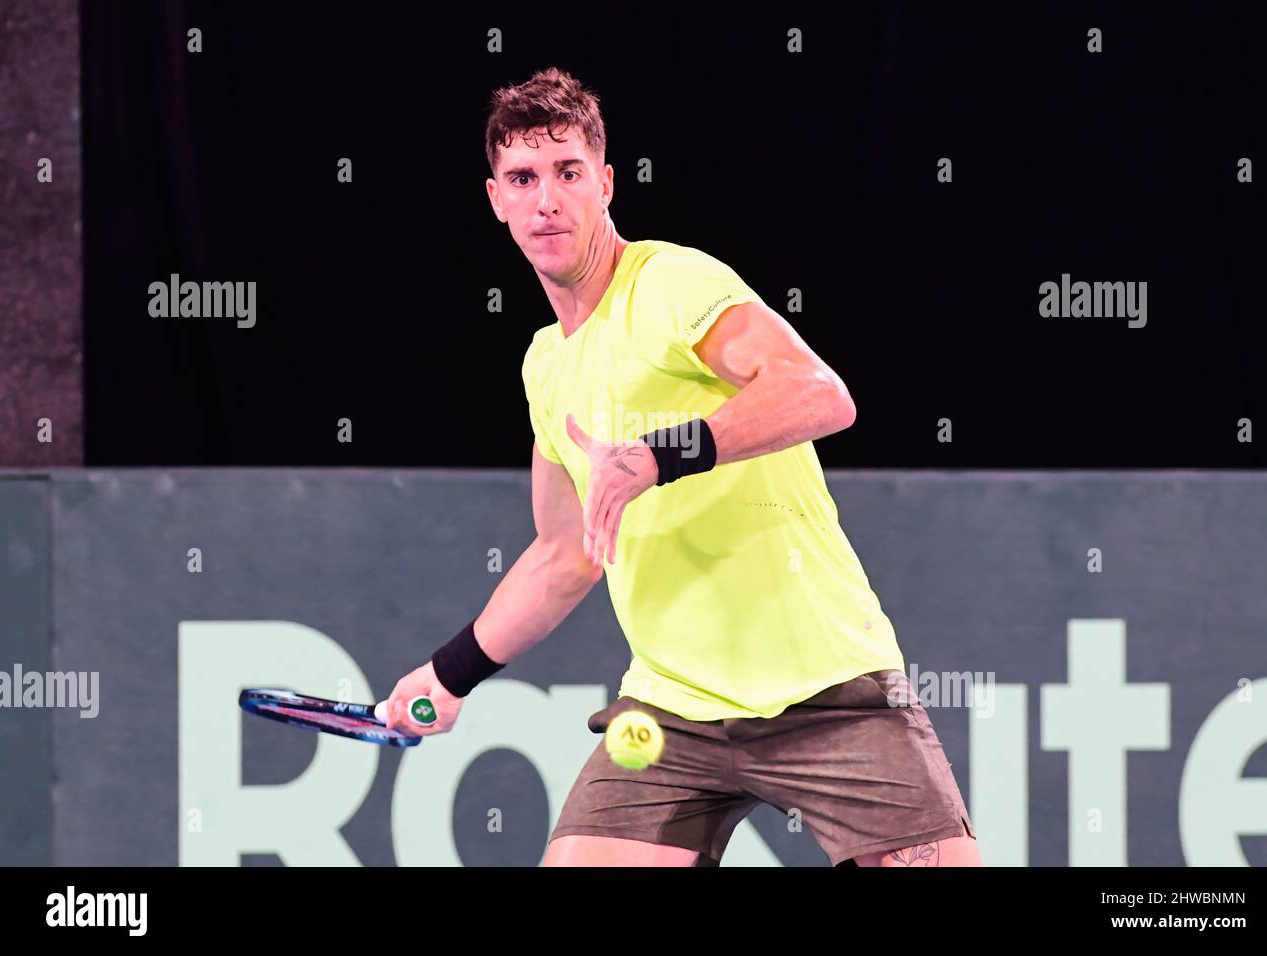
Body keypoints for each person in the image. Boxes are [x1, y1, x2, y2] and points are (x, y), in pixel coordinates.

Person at [384, 67, 979, 867]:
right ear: (496, 198)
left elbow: (820, 393)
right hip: (672, 714)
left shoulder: (670, 284)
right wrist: (449, 675)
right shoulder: (545, 366)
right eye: (522, 179)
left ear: (606, 184)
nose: (546, 200)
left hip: (829, 691)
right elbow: (564, 556)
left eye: (567, 174)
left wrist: (662, 454)